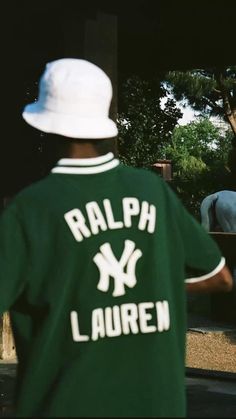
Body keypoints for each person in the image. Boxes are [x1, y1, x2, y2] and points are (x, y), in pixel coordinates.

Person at [0, 58, 233, 418]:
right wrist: (153, 282)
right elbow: (220, 276)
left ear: (42, 126)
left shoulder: (31, 209)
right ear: (103, 123)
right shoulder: (153, 190)